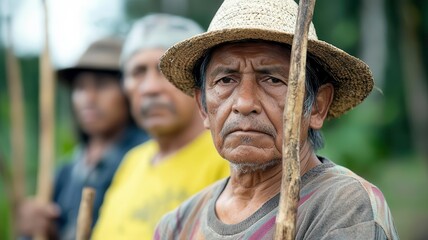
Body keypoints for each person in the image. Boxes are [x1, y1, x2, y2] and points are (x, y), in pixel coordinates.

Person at [154, 0, 400, 239]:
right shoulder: (177, 225)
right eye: (226, 80)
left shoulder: (343, 205)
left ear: (317, 106)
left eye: (272, 80)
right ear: (203, 107)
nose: (245, 103)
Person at [91, 14, 230, 239]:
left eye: (165, 70)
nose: (150, 88)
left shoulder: (229, 159)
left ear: (199, 83)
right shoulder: (131, 162)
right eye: (138, 72)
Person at [18, 37, 149, 240]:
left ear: (128, 91)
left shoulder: (146, 158)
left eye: (102, 85)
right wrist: (38, 227)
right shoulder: (66, 171)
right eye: (80, 87)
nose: (89, 98)